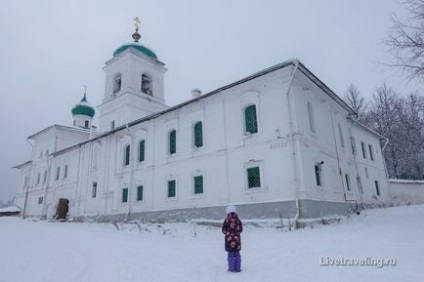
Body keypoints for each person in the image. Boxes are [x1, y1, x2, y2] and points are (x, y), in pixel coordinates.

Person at [222, 205, 243, 272]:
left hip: (229, 241)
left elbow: (223, 230)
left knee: (230, 255)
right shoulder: (238, 220)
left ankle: (231, 269)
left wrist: (228, 233)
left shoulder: (226, 220)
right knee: (237, 254)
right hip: (237, 241)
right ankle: (238, 268)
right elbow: (241, 230)